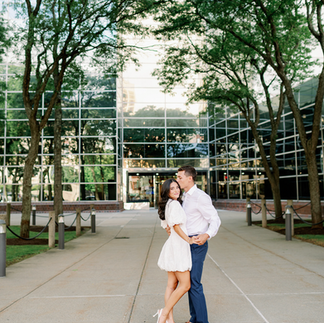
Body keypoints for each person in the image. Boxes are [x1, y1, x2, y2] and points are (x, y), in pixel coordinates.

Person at [174, 165, 221, 323]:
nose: (177, 180)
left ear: (190, 178)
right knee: (187, 283)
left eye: (180, 177)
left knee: (194, 283)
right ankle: (194, 318)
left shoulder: (201, 197)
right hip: (186, 243)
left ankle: (201, 321)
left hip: (197, 244)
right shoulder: (185, 196)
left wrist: (207, 234)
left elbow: (215, 219)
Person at [155, 178, 196, 323]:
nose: (176, 190)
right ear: (166, 191)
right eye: (172, 188)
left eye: (177, 187)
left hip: (172, 245)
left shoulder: (168, 205)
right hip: (178, 247)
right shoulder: (176, 205)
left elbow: (167, 227)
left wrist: (174, 233)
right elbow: (176, 227)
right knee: (185, 285)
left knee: (171, 285)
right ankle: (164, 314)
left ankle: (169, 320)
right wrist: (189, 239)